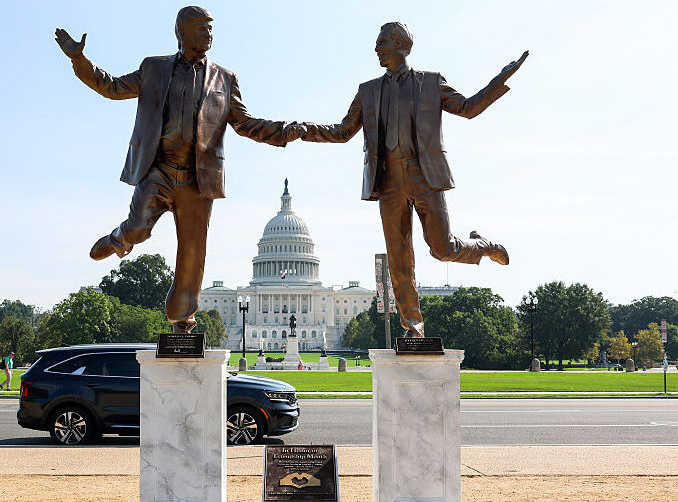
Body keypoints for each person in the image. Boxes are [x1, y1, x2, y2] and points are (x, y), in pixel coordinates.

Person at [55, 6, 305, 333]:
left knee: (192, 251)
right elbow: (112, 87)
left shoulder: (225, 79)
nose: (209, 34)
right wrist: (79, 60)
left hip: (197, 178)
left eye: (211, 28)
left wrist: (284, 131)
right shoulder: (154, 68)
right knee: (139, 229)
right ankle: (120, 238)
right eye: (202, 28)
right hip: (158, 169)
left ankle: (182, 319)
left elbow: (245, 124)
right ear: (182, 32)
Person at [299, 22, 527, 338]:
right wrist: (303, 130)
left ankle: (485, 245)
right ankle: (413, 324)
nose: (376, 48)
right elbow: (341, 132)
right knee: (399, 258)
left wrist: (499, 80)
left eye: (382, 42)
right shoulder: (368, 91)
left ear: (402, 45)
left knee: (442, 248)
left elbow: (467, 108)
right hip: (388, 180)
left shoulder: (431, 83)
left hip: (425, 176)